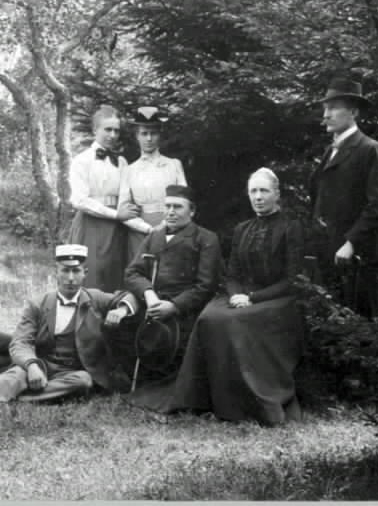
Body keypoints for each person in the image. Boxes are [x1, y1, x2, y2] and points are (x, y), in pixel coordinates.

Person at [127, 168, 308, 425]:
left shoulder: (291, 227)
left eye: (264, 191)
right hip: (241, 296)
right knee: (209, 318)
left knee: (231, 321)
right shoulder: (243, 229)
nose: (258, 197)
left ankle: (244, 402)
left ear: (277, 194)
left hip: (277, 299)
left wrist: (252, 298)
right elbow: (232, 274)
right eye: (253, 191)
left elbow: (292, 279)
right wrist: (236, 295)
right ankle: (202, 398)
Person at [0, 244, 139, 413]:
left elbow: (130, 297)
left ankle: (11, 398)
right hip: (43, 365)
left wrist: (122, 310)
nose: (71, 278)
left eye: (76, 271)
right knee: (17, 374)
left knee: (83, 381)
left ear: (85, 273)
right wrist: (32, 365)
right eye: (65, 271)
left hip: (74, 372)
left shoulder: (96, 299)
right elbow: (20, 342)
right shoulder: (38, 304)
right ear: (56, 272)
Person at [104, 185, 221, 386]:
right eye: (167, 206)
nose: (171, 212)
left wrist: (174, 306)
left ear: (192, 211)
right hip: (151, 303)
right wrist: (149, 294)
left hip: (185, 309)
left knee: (175, 345)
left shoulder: (205, 238)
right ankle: (126, 378)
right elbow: (132, 273)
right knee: (115, 321)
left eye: (178, 207)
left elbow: (206, 285)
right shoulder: (154, 237)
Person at [308, 77, 378, 318]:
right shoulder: (330, 151)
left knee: (360, 327)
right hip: (330, 255)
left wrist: (351, 243)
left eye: (333, 108)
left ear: (354, 112)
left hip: (357, 258)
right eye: (325, 108)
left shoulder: (370, 149)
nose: (326, 115)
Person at [69, 105, 140, 292]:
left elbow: (126, 196)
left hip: (117, 228)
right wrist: (116, 214)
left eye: (116, 131)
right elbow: (79, 200)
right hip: (90, 225)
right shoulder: (82, 161)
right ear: (95, 130)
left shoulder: (121, 162)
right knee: (90, 275)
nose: (113, 135)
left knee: (114, 276)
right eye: (108, 129)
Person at [118, 106, 187, 259]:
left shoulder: (174, 165)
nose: (149, 138)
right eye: (144, 133)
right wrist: (148, 229)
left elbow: (184, 202)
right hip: (139, 232)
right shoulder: (129, 171)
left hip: (171, 228)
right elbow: (123, 210)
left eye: (153, 133)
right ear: (137, 136)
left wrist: (165, 226)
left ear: (160, 135)